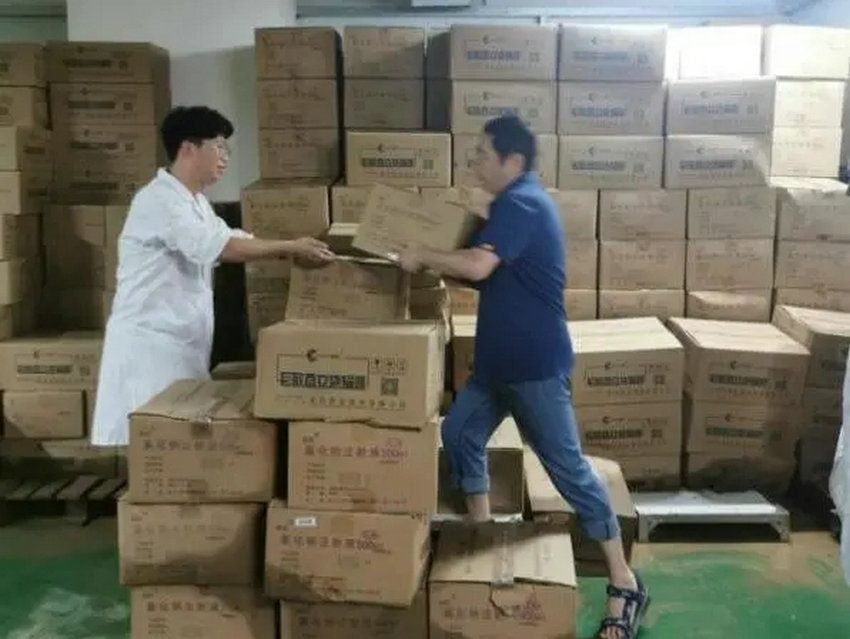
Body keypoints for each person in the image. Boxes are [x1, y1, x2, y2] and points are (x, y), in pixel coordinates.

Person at [398, 115, 648, 639]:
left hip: (534, 368)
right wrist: (438, 255)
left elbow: (477, 268)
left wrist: (423, 254)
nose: (474, 163)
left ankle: (624, 581)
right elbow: (480, 274)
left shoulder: (523, 204)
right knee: (459, 434)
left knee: (569, 472)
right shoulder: (507, 207)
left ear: (513, 161)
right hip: (496, 367)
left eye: (482, 154)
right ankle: (482, 536)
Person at [91, 106, 334, 447]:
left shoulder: (195, 203)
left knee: (177, 446)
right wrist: (290, 247)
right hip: (151, 349)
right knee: (155, 447)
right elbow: (219, 247)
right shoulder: (159, 201)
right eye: (219, 146)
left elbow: (232, 237)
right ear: (189, 148)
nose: (225, 157)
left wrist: (290, 251)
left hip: (181, 345)